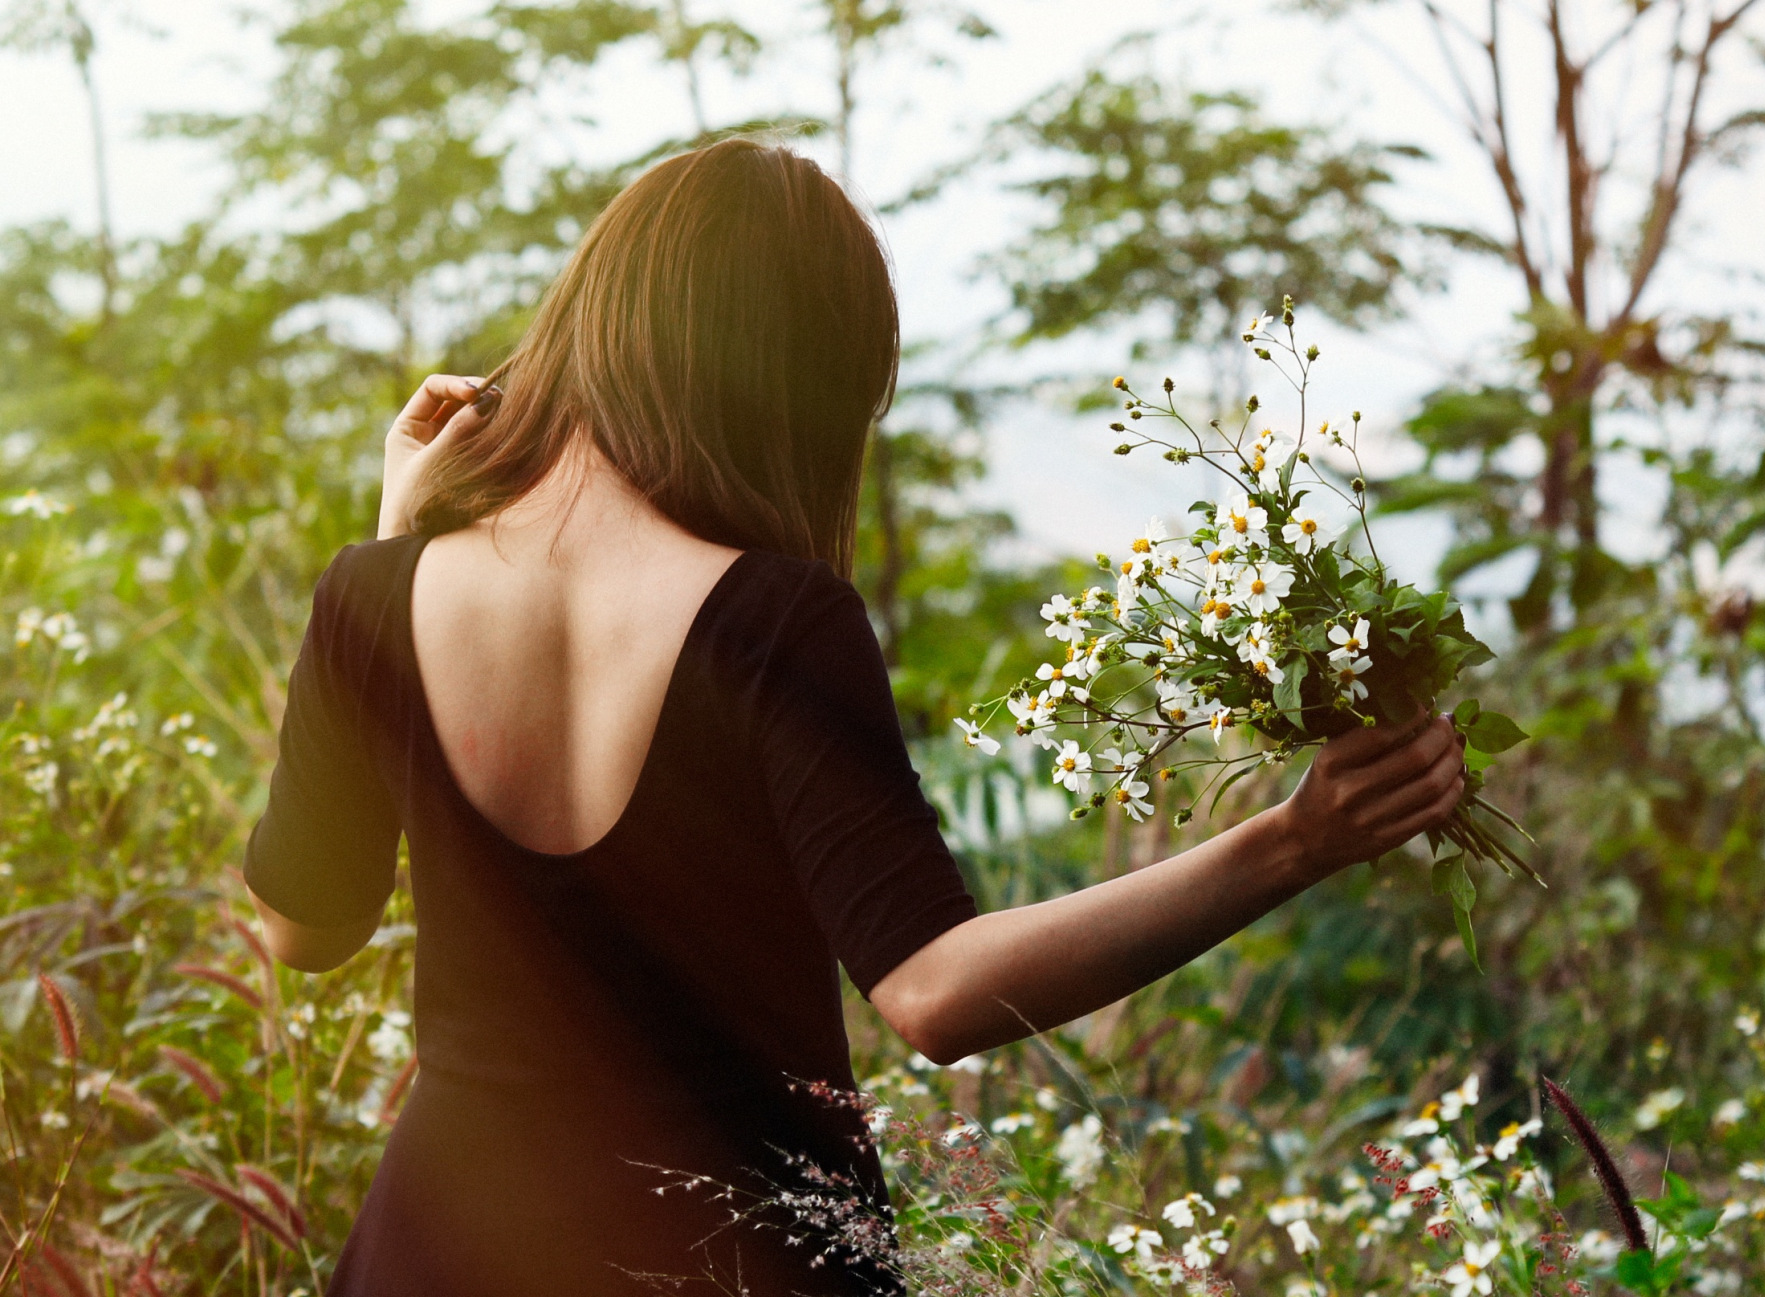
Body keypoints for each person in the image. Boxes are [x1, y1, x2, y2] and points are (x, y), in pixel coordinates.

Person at [244, 137, 1467, 1297]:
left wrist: (398, 535)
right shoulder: (776, 618)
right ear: (795, 389)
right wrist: (1290, 841)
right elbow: (931, 992)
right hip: (733, 1257)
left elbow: (305, 928)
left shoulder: (373, 594)